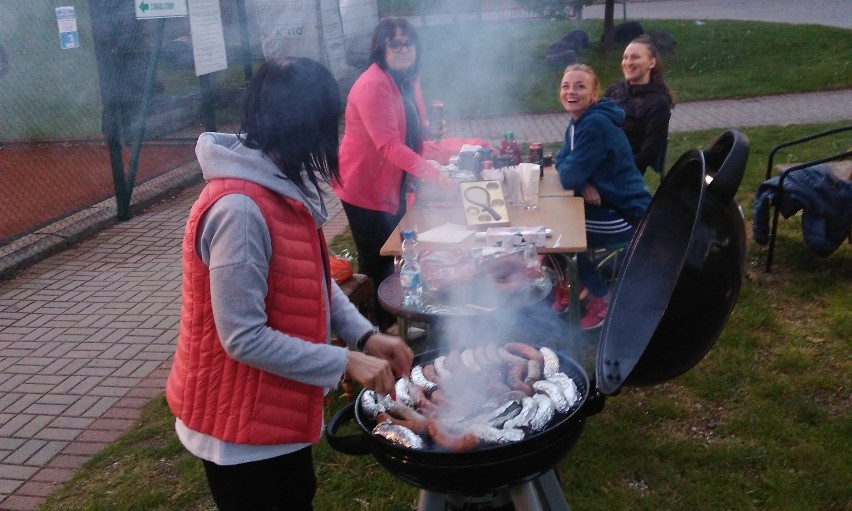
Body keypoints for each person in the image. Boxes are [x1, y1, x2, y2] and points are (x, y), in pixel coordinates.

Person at [165, 57, 414, 511]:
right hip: (239, 430)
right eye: (328, 124)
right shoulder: (238, 211)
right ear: (304, 124)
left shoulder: (276, 184)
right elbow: (242, 337)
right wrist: (346, 361)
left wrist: (367, 335)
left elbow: (316, 280)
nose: (333, 137)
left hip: (270, 414)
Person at [332, 17, 455, 331]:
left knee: (397, 249)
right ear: (381, 48)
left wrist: (427, 130)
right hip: (363, 184)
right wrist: (434, 174)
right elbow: (388, 145)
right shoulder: (372, 84)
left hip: (391, 180)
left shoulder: (407, 77)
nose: (403, 49)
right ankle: (374, 329)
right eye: (395, 43)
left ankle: (391, 319)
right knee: (375, 256)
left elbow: (405, 124)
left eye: (408, 42)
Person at [554, 64, 652, 329]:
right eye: (566, 86)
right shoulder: (578, 122)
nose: (571, 91)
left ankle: (601, 298)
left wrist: (577, 177)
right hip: (610, 207)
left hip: (629, 215)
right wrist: (583, 180)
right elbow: (561, 158)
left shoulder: (595, 124)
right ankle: (574, 285)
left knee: (556, 235)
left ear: (594, 93)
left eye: (580, 86)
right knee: (552, 230)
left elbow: (566, 176)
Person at [604, 34, 675, 175]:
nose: (628, 62)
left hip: (624, 173)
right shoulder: (614, 90)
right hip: (598, 161)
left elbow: (648, 153)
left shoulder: (658, 103)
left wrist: (611, 170)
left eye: (635, 57)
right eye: (625, 57)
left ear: (651, 63)